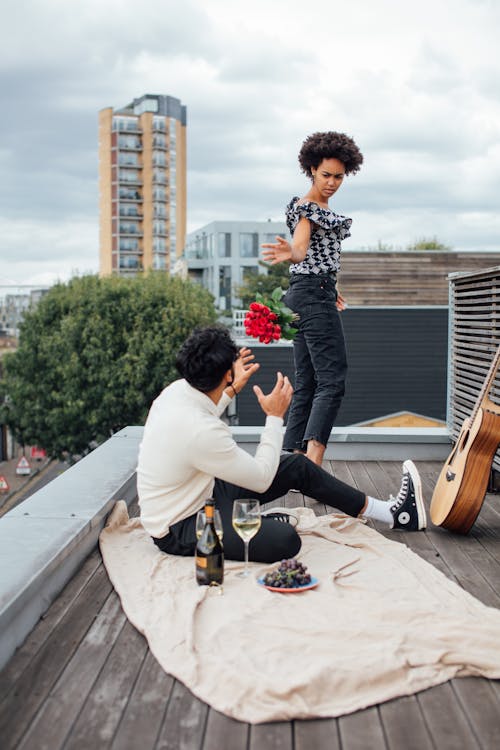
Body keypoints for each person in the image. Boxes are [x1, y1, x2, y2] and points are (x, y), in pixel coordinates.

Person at [137, 325, 426, 564]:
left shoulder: (177, 392)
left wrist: (234, 387)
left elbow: (205, 413)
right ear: (226, 372)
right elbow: (262, 479)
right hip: (180, 527)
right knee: (285, 540)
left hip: (201, 492)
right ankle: (258, 522)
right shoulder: (201, 432)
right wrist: (275, 417)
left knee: (297, 465)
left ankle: (390, 513)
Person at [262, 131, 363, 466]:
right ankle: (314, 464)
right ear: (310, 169)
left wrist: (329, 288)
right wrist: (291, 252)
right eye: (325, 175)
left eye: (339, 176)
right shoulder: (308, 209)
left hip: (304, 292)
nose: (332, 182)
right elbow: (302, 249)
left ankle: (291, 459)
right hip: (311, 293)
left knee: (308, 381)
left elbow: (317, 258)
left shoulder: (314, 207)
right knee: (332, 380)